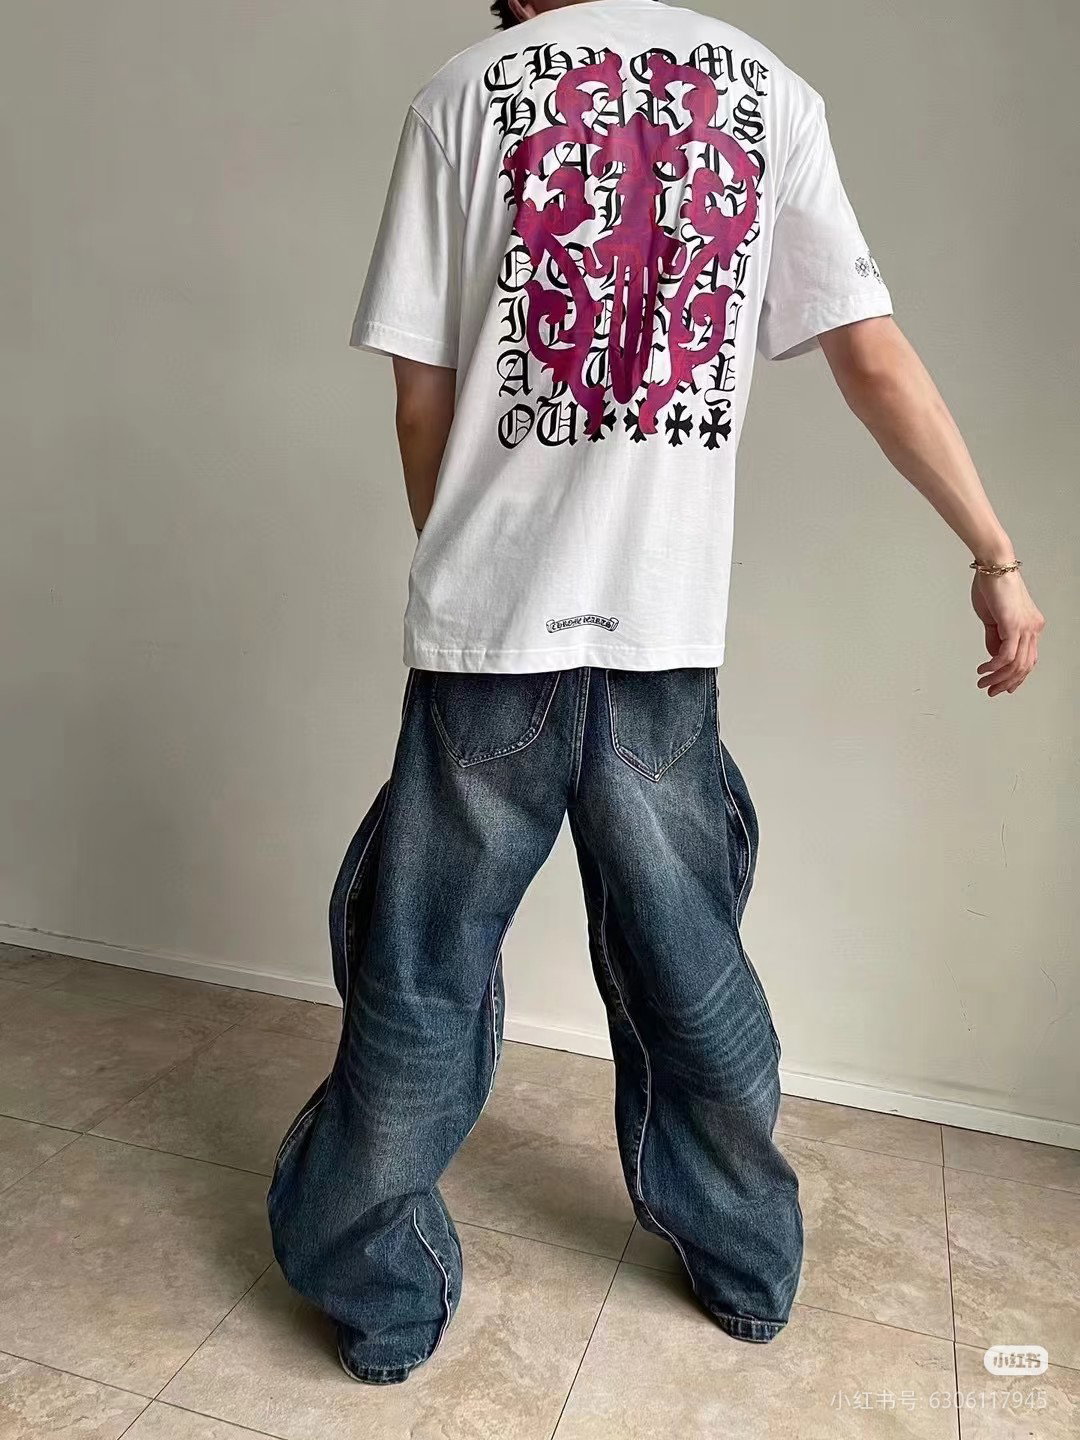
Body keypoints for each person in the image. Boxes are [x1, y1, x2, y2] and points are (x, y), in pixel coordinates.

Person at [267, 0, 1044, 1384]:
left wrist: (473, 572)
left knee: (420, 977)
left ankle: (381, 1302)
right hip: (663, 635)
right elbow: (870, 353)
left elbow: (420, 399)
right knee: (691, 970)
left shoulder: (462, 94)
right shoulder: (767, 91)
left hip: (489, 644)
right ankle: (746, 1268)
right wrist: (994, 553)